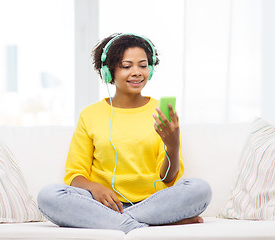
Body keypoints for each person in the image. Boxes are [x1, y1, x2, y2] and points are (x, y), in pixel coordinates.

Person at [37, 33, 212, 234]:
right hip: (102, 204)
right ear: (108, 72)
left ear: (151, 70)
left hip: (153, 203)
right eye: (127, 66)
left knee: (200, 189)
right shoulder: (90, 114)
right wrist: (95, 188)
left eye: (143, 65)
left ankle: (118, 223)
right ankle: (149, 225)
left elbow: (167, 179)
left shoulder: (160, 112)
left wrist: (173, 147)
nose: (137, 72)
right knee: (49, 195)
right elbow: (75, 175)